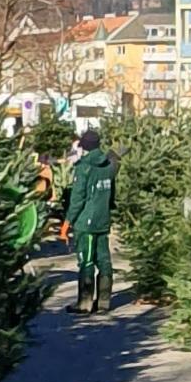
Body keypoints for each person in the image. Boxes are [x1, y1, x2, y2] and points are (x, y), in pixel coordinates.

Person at [61, 124, 117, 313]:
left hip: (86, 222)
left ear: (84, 146)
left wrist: (67, 222)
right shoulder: (110, 165)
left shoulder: (84, 167)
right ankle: (104, 302)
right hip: (103, 219)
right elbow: (112, 193)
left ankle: (84, 303)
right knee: (104, 259)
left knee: (86, 261)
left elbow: (78, 199)